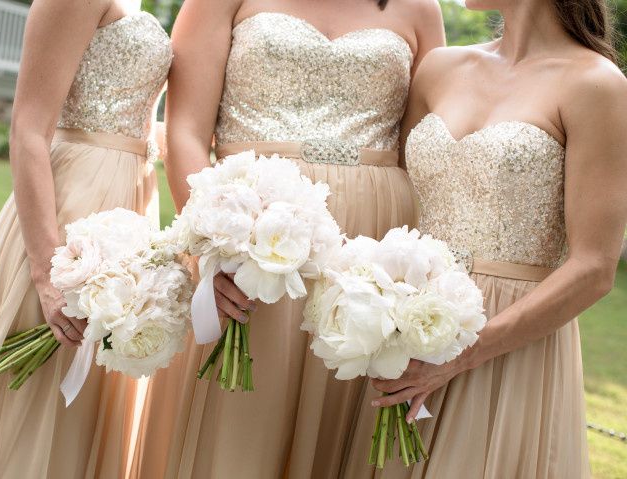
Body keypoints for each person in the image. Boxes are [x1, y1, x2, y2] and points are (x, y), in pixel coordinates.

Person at [130, 0, 445, 477]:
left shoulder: (419, 8)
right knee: (243, 417)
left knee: (344, 419)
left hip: (369, 242)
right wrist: (213, 248)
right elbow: (186, 132)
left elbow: (421, 150)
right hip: (253, 231)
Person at [364, 0, 627, 477]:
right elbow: (400, 196)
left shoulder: (597, 84)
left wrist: (461, 356)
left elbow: (594, 268)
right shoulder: (439, 69)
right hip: (412, 327)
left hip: (511, 342)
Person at [0, 0, 171, 477]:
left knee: (87, 408)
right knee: (34, 401)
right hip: (71, 212)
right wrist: (48, 270)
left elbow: (126, 115)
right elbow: (29, 129)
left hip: (130, 204)